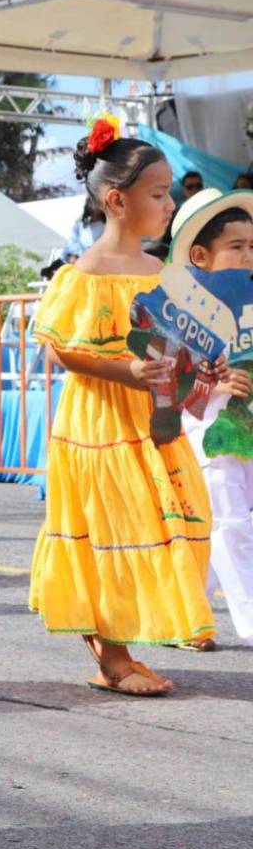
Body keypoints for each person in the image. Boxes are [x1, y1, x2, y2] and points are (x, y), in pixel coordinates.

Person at [29, 115, 215, 696]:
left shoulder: (162, 270)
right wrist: (128, 370)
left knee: (176, 515)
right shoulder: (82, 274)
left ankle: (133, 636)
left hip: (154, 419)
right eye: (158, 195)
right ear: (116, 199)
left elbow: (184, 340)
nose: (167, 205)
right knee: (113, 524)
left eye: (167, 194)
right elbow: (65, 352)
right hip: (101, 424)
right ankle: (112, 656)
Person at [177, 187, 253, 649]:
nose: (247, 257)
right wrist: (215, 384)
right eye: (236, 246)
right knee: (229, 523)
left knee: (220, 523)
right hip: (207, 432)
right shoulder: (183, 311)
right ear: (201, 255)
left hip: (247, 431)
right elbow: (167, 382)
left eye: (252, 247)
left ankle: (191, 619)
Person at [61, 197, 105, 265]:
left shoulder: (106, 225)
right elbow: (72, 241)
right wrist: (74, 255)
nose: (95, 206)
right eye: (93, 203)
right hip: (78, 258)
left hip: (96, 260)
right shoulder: (80, 224)